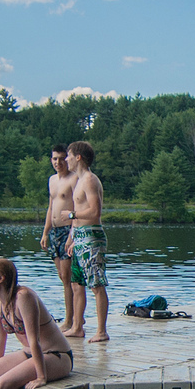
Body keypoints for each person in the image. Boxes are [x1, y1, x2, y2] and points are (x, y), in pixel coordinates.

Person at [0, 257, 73, 389]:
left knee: (2, 386)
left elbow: (34, 340)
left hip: (57, 356)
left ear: (0, 278)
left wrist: (41, 377)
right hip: (27, 353)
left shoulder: (24, 297)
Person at [62, 140, 111, 342]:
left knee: (96, 284)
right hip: (81, 237)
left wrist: (71, 214)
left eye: (69, 155)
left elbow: (95, 211)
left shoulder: (90, 180)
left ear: (78, 157)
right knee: (76, 283)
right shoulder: (79, 180)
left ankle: (101, 331)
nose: (66, 159)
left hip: (92, 237)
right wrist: (72, 237)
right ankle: (77, 326)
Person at [37, 144, 85, 337]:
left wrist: (73, 234)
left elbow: (78, 207)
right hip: (55, 231)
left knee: (68, 277)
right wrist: (45, 232)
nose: (57, 162)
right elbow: (51, 207)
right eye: (54, 158)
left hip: (68, 230)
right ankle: (74, 317)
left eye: (61, 158)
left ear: (68, 159)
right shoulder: (51, 180)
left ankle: (70, 319)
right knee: (62, 276)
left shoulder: (74, 179)